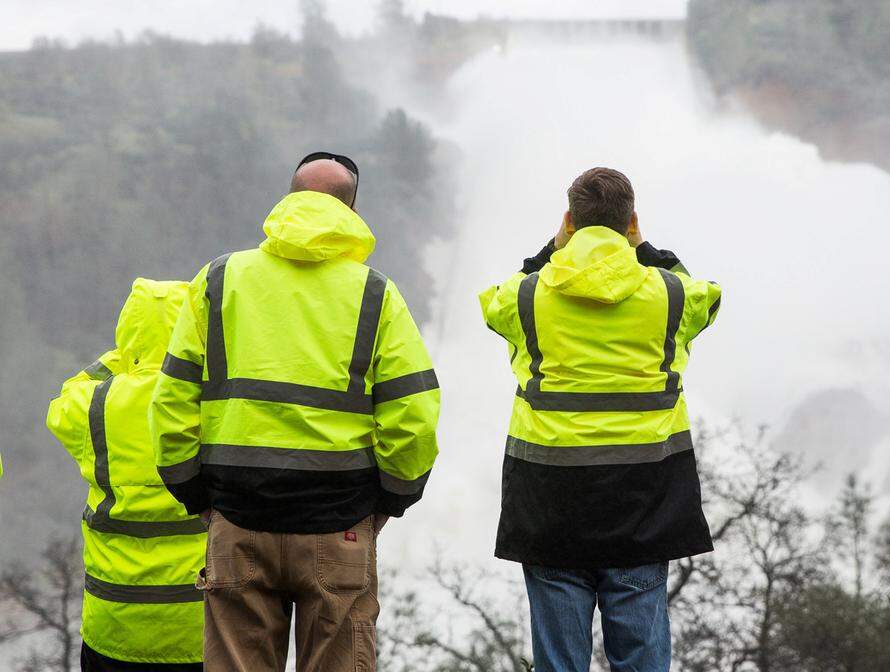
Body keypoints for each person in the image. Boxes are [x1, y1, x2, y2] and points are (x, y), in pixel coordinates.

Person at [150, 152, 441, 672]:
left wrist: (196, 495)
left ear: (289, 199)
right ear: (351, 211)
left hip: (237, 521)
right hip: (339, 526)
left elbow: (171, 402)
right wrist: (390, 501)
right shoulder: (375, 294)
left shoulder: (219, 281)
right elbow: (412, 414)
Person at [479, 167, 722, 671]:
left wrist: (554, 250)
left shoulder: (527, 298)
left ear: (569, 221)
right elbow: (704, 293)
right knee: (641, 658)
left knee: (559, 661)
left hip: (549, 501)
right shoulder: (672, 297)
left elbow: (501, 295)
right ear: (631, 223)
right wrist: (645, 248)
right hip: (644, 502)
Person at [47, 278, 206, 671]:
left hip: (113, 624)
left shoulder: (94, 404)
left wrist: (124, 356)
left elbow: (67, 393)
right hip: (201, 624)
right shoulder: (210, 402)